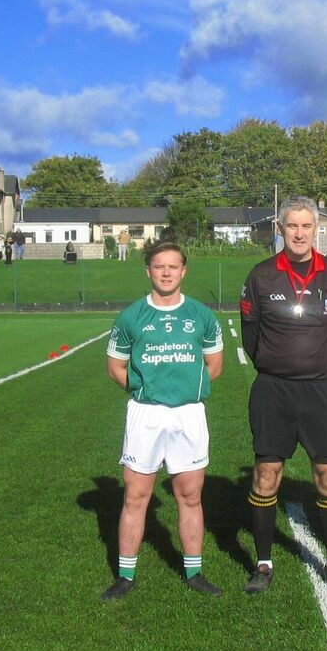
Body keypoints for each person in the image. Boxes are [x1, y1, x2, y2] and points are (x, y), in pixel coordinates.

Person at [239, 195, 327, 593]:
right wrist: (279, 363)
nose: (300, 233)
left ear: (317, 229)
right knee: (266, 473)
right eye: (292, 226)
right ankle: (263, 562)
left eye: (307, 226)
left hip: (323, 391)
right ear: (280, 229)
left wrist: (319, 362)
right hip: (273, 391)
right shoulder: (260, 275)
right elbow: (250, 333)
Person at [102, 241, 224, 601]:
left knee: (189, 494)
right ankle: (126, 576)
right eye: (159, 267)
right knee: (136, 495)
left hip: (189, 414)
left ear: (183, 271)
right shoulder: (130, 317)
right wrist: (147, 391)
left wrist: (183, 389)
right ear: (149, 272)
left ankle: (194, 572)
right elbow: (115, 369)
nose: (167, 273)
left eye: (173, 267)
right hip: (146, 415)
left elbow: (214, 367)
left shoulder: (201, 315)